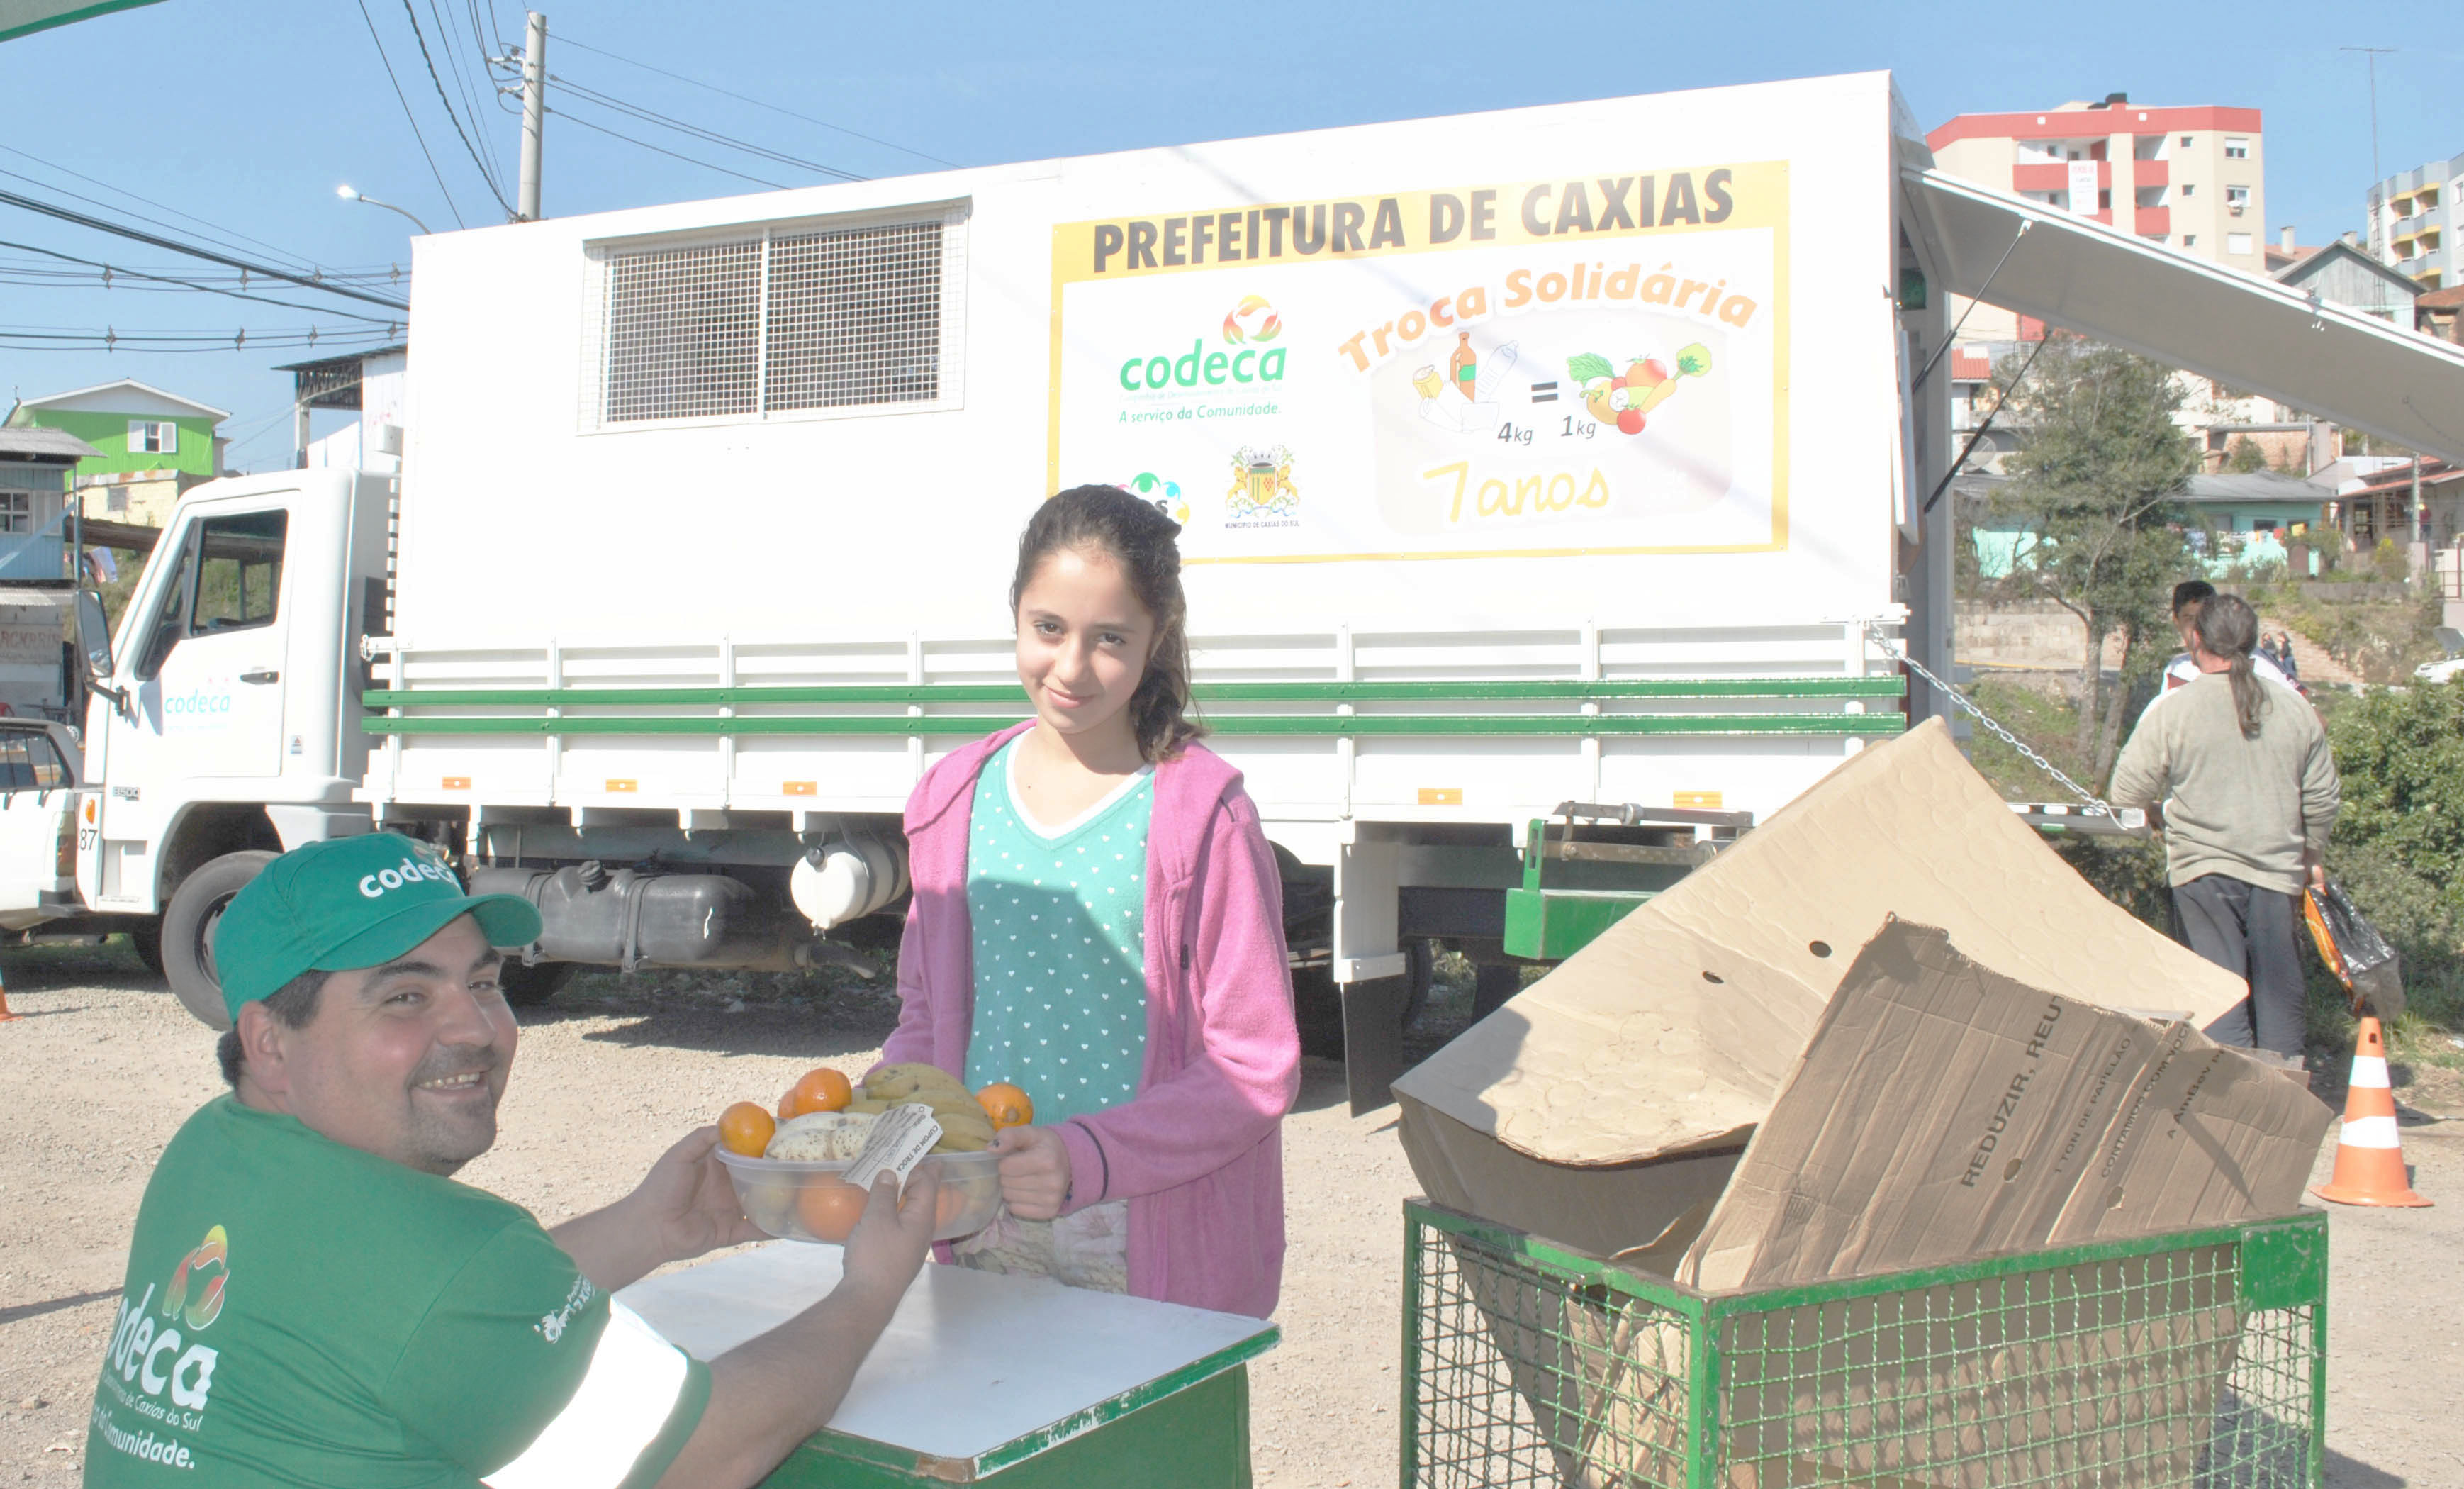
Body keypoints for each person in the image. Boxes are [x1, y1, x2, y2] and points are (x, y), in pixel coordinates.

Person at [86, 833, 939, 1488]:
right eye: (406, 996)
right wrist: (869, 1288)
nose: (478, 1029)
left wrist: (647, 1228)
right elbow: (707, 1452)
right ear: (270, 1043)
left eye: (483, 984)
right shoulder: (440, 1259)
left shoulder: (214, 1147)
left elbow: (416, 1324)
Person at [880, 484, 1301, 1317]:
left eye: (1109, 639)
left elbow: (1253, 1065)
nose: (1071, 668)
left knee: (1134, 1452)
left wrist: (1089, 1156)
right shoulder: (952, 797)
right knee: (984, 1440)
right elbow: (927, 1018)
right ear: (1015, 615)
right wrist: (872, 1124)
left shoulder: (1203, 817)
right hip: (979, 1228)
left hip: (1148, 1235)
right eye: (1048, 629)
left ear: (1157, 642)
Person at [2110, 594, 2341, 1059]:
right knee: (2279, 986)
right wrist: (2311, 856)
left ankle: (2234, 1094)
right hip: (2277, 870)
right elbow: (2322, 796)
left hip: (2201, 871)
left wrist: (2157, 812)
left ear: (2196, 640)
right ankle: (2284, 1093)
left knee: (2218, 986)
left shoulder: (2174, 709)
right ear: (2254, 646)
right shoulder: (2294, 710)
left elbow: (2125, 794)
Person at [2153, 580, 2293, 700]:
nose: (2198, 627)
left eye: (2203, 618)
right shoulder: (2176, 669)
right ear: (2176, 621)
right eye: (2190, 619)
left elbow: (2303, 708)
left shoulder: (2259, 661)